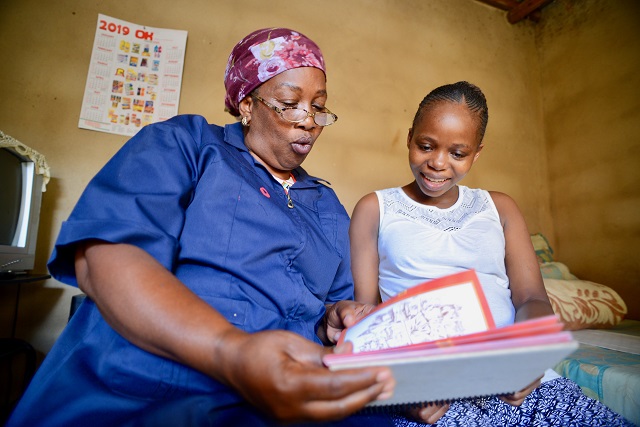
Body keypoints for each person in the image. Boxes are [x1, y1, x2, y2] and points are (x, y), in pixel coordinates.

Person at [6, 28, 399, 427]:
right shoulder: (187, 144)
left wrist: (336, 315)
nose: (309, 122)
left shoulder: (326, 203)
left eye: (318, 108)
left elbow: (335, 305)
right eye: (289, 104)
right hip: (159, 372)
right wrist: (231, 352)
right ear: (247, 104)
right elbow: (106, 258)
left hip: (291, 379)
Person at [349, 81, 634, 426]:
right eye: (426, 146)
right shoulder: (375, 209)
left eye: (458, 153)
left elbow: (531, 298)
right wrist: (405, 390)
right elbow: (368, 321)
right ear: (410, 137)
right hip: (428, 392)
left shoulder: (498, 207)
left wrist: (524, 359)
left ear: (477, 153)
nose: (438, 163)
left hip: (512, 382)